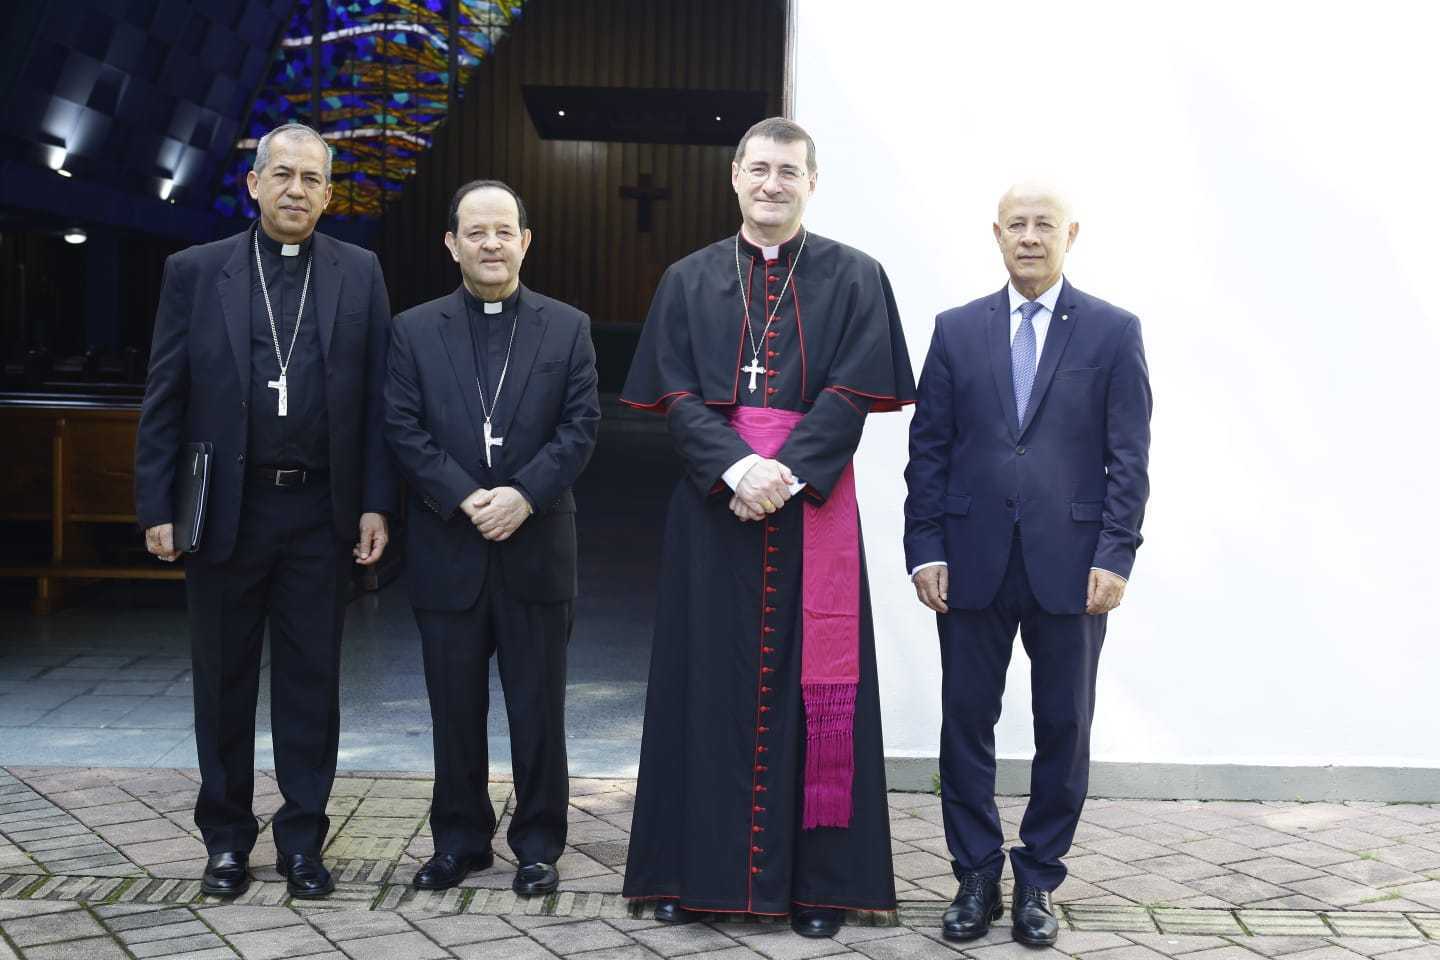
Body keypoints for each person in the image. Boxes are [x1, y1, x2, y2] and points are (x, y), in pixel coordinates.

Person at [619, 117, 914, 939]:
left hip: (811, 506)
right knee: (701, 688)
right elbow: (675, 393)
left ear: (811, 182)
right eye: (759, 168)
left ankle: (819, 886)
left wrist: (784, 473)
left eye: (789, 170)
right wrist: (736, 470)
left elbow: (854, 392)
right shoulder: (686, 279)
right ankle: (690, 875)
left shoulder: (858, 277)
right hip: (715, 511)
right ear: (735, 178)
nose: (772, 182)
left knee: (819, 696)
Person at [134, 122, 397, 899]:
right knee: (222, 679)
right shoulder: (196, 270)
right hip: (225, 510)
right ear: (253, 184)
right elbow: (166, 394)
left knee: (313, 681)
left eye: (312, 179)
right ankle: (224, 839)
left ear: (328, 192)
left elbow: (382, 400)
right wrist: (157, 503)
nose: (295, 190)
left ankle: (303, 841)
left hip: (320, 512)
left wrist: (377, 503)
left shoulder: (361, 273)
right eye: (281, 175)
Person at [903, 182, 1152, 946]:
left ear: (1071, 233)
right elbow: (929, 453)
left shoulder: (1113, 332)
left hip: (1073, 567)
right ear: (997, 235)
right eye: (1017, 224)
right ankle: (975, 873)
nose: (1031, 236)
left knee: (1064, 724)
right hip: (971, 560)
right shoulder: (956, 330)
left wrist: (1116, 555)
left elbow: (1128, 459)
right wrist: (926, 549)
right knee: (965, 722)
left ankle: (1039, 877)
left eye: (1045, 224)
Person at [384, 179, 599, 897]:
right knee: (452, 706)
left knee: (539, 708)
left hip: (536, 549)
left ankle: (538, 842)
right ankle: (460, 840)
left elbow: (580, 429)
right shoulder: (413, 329)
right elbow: (403, 429)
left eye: (504, 230)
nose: (491, 244)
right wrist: (466, 495)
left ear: (525, 241)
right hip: (450, 546)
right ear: (451, 244)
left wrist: (523, 495)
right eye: (475, 232)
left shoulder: (567, 327)